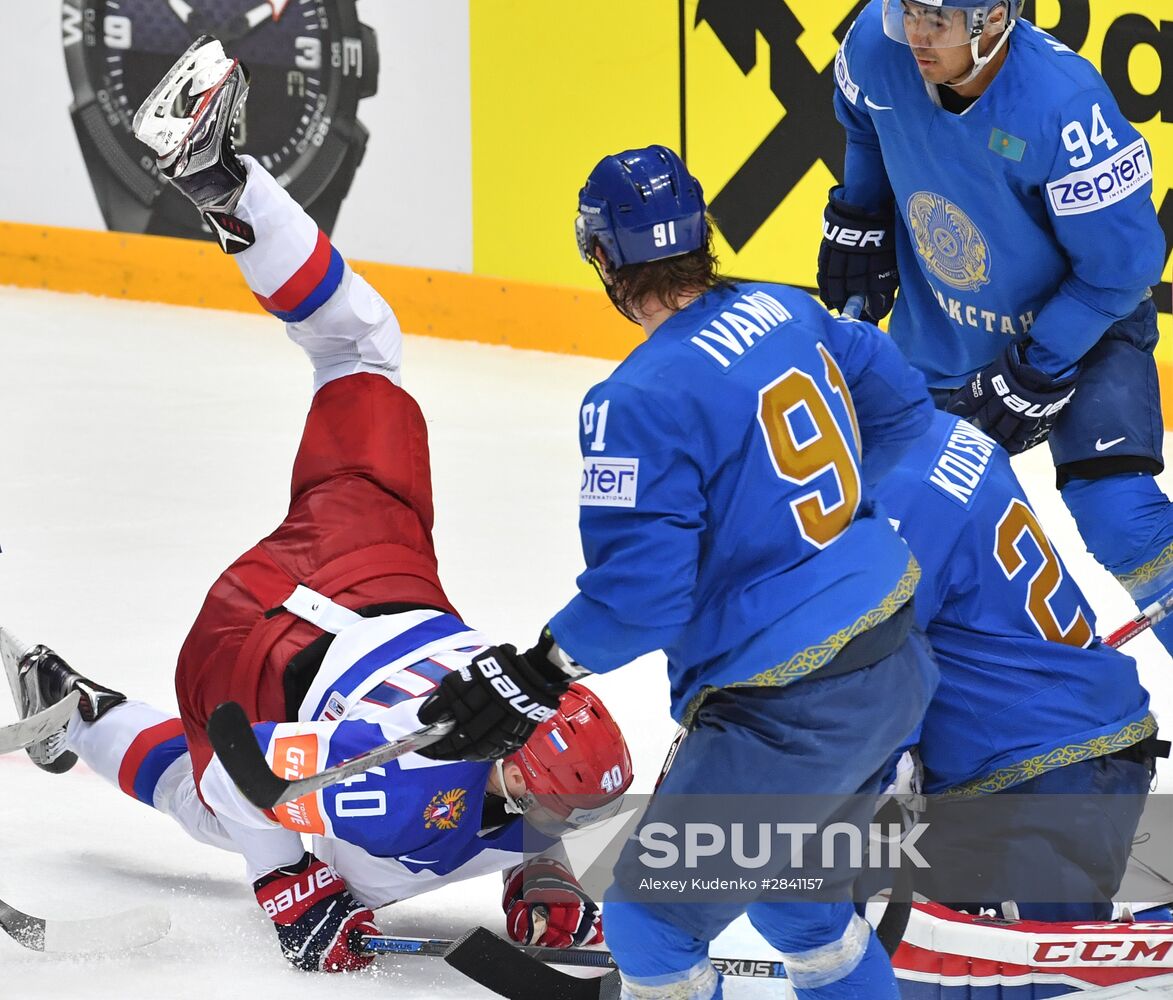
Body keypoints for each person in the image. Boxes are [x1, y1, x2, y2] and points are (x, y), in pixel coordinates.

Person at [1, 35, 632, 974]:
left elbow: (571, 807)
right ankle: (84, 714)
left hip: (364, 556)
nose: (576, 825)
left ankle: (227, 181)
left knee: (361, 350)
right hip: (251, 647)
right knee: (218, 808)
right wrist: (290, 888)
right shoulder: (398, 790)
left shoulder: (548, 736)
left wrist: (550, 879)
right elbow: (234, 763)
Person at [416, 145, 942, 999]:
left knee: (650, 921)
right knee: (800, 905)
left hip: (789, 710)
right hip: (890, 664)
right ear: (702, 234)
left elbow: (639, 598)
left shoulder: (633, 401)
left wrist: (541, 670)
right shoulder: (788, 309)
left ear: (599, 255)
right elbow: (904, 412)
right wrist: (816, 533)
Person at [819, 0, 1173, 659]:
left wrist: (1039, 362)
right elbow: (864, 120)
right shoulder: (876, 42)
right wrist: (861, 212)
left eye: (938, 21)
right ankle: (907, 728)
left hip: (1085, 335)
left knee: (1120, 517)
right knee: (894, 531)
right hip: (942, 328)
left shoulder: (1065, 109)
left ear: (993, 21)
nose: (916, 36)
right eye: (910, 13)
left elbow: (1120, 271)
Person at [874, 409, 1167, 921]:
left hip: (1037, 774)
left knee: (1030, 978)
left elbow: (871, 669)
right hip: (1067, 739)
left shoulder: (895, 498)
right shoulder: (943, 430)